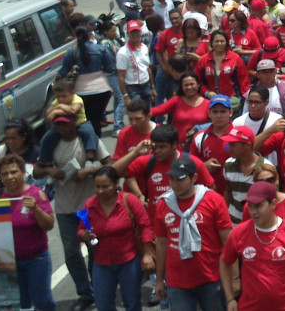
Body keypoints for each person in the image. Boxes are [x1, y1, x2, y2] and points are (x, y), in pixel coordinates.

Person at [33, 115, 113, 311]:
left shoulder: (87, 140)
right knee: (71, 253)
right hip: (64, 207)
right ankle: (85, 293)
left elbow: (110, 165)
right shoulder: (51, 142)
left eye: (65, 123)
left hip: (89, 206)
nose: (62, 127)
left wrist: (89, 171)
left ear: (74, 123)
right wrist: (49, 171)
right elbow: (36, 172)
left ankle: (98, 287)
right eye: (57, 124)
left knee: (95, 249)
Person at [0, 154, 56, 311]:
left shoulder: (36, 194)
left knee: (43, 301)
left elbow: (49, 225)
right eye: (5, 174)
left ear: (23, 173)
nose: (9, 177)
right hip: (9, 263)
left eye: (14, 172)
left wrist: (36, 209)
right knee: (21, 304)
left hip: (37, 259)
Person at [151, 157, 233, 311]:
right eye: (172, 179)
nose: (175, 185)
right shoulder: (164, 204)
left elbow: (228, 243)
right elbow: (161, 244)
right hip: (177, 282)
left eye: (180, 179)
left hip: (211, 277)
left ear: (194, 177)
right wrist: (159, 280)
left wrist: (234, 278)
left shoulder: (213, 200)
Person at [219, 181, 285, 311]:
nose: (253, 212)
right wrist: (230, 299)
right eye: (250, 206)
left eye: (258, 206)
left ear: (273, 204)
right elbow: (224, 262)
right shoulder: (239, 233)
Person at [78, 167, 154, 311]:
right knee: (103, 304)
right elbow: (80, 230)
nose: (100, 191)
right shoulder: (90, 205)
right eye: (97, 187)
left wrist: (147, 254)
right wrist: (84, 235)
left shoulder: (129, 200)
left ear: (116, 184)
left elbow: (145, 225)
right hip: (101, 264)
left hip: (129, 262)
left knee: (132, 304)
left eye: (105, 187)